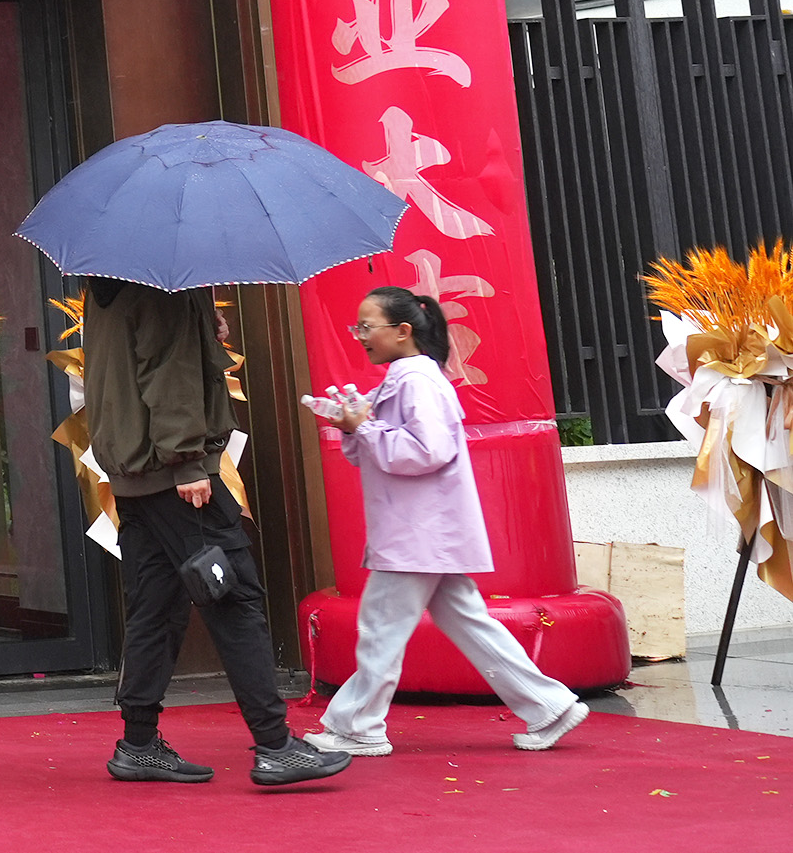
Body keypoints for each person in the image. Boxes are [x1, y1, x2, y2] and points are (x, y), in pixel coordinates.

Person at [301, 287, 590, 757]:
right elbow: (386, 448)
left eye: (367, 327)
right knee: (467, 624)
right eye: (358, 328)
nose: (360, 336)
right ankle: (549, 706)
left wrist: (363, 427)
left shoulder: (415, 381)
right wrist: (354, 424)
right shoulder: (410, 378)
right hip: (425, 530)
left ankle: (358, 726)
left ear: (403, 330)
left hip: (416, 532)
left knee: (381, 629)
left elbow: (427, 451)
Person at [84, 276, 349, 787]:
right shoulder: (164, 288)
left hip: (136, 474)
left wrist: (204, 325)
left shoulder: (111, 284)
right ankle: (275, 745)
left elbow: (145, 364)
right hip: (176, 475)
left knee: (155, 609)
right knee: (234, 598)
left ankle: (139, 743)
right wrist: (188, 462)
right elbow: (169, 373)